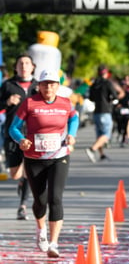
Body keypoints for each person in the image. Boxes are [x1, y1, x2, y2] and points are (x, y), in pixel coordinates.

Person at [9, 69, 79, 258]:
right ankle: (41, 231)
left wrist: (72, 134)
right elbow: (13, 128)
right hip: (34, 158)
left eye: (52, 83)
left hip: (59, 156)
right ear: (38, 85)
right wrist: (21, 140)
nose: (48, 87)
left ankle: (54, 243)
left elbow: (74, 118)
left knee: (55, 198)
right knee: (40, 201)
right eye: (45, 83)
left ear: (58, 85)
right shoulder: (29, 103)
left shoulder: (65, 103)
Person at [0, 54, 38, 220]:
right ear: (15, 67)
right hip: (12, 132)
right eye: (20, 63)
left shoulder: (39, 86)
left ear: (33, 67)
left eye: (27, 63)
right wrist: (7, 102)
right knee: (15, 174)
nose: (23, 66)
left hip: (33, 133)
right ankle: (21, 181)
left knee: (29, 170)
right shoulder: (8, 85)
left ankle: (23, 205)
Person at [85, 65, 118, 162]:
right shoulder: (108, 83)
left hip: (96, 112)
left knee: (99, 135)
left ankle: (102, 154)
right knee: (106, 135)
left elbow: (91, 98)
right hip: (105, 111)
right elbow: (115, 96)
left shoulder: (94, 83)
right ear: (106, 73)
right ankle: (92, 149)